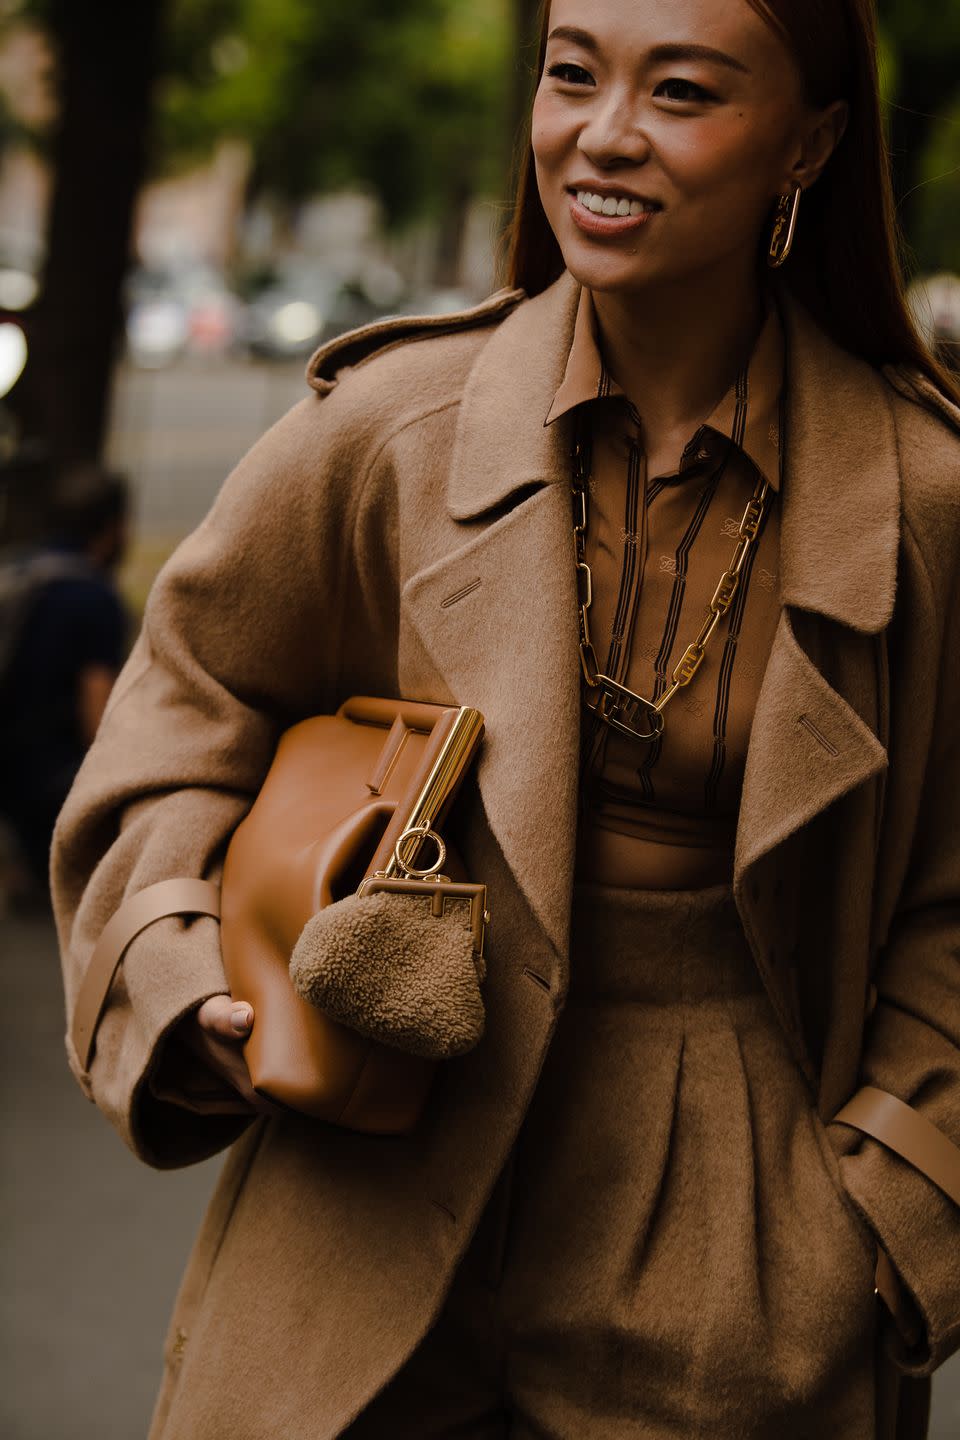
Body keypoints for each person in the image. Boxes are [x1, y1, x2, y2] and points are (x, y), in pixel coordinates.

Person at [50, 1, 960, 1437]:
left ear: (812, 142)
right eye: (572, 73)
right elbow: (180, 717)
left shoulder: (922, 502)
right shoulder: (385, 428)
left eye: (682, 90)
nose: (603, 134)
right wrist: (181, 977)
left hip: (748, 1255)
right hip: (364, 1177)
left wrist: (891, 1204)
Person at [0, 462, 128, 900]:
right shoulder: (94, 596)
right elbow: (97, 716)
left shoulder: (17, 574)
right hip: (52, 787)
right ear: (111, 527)